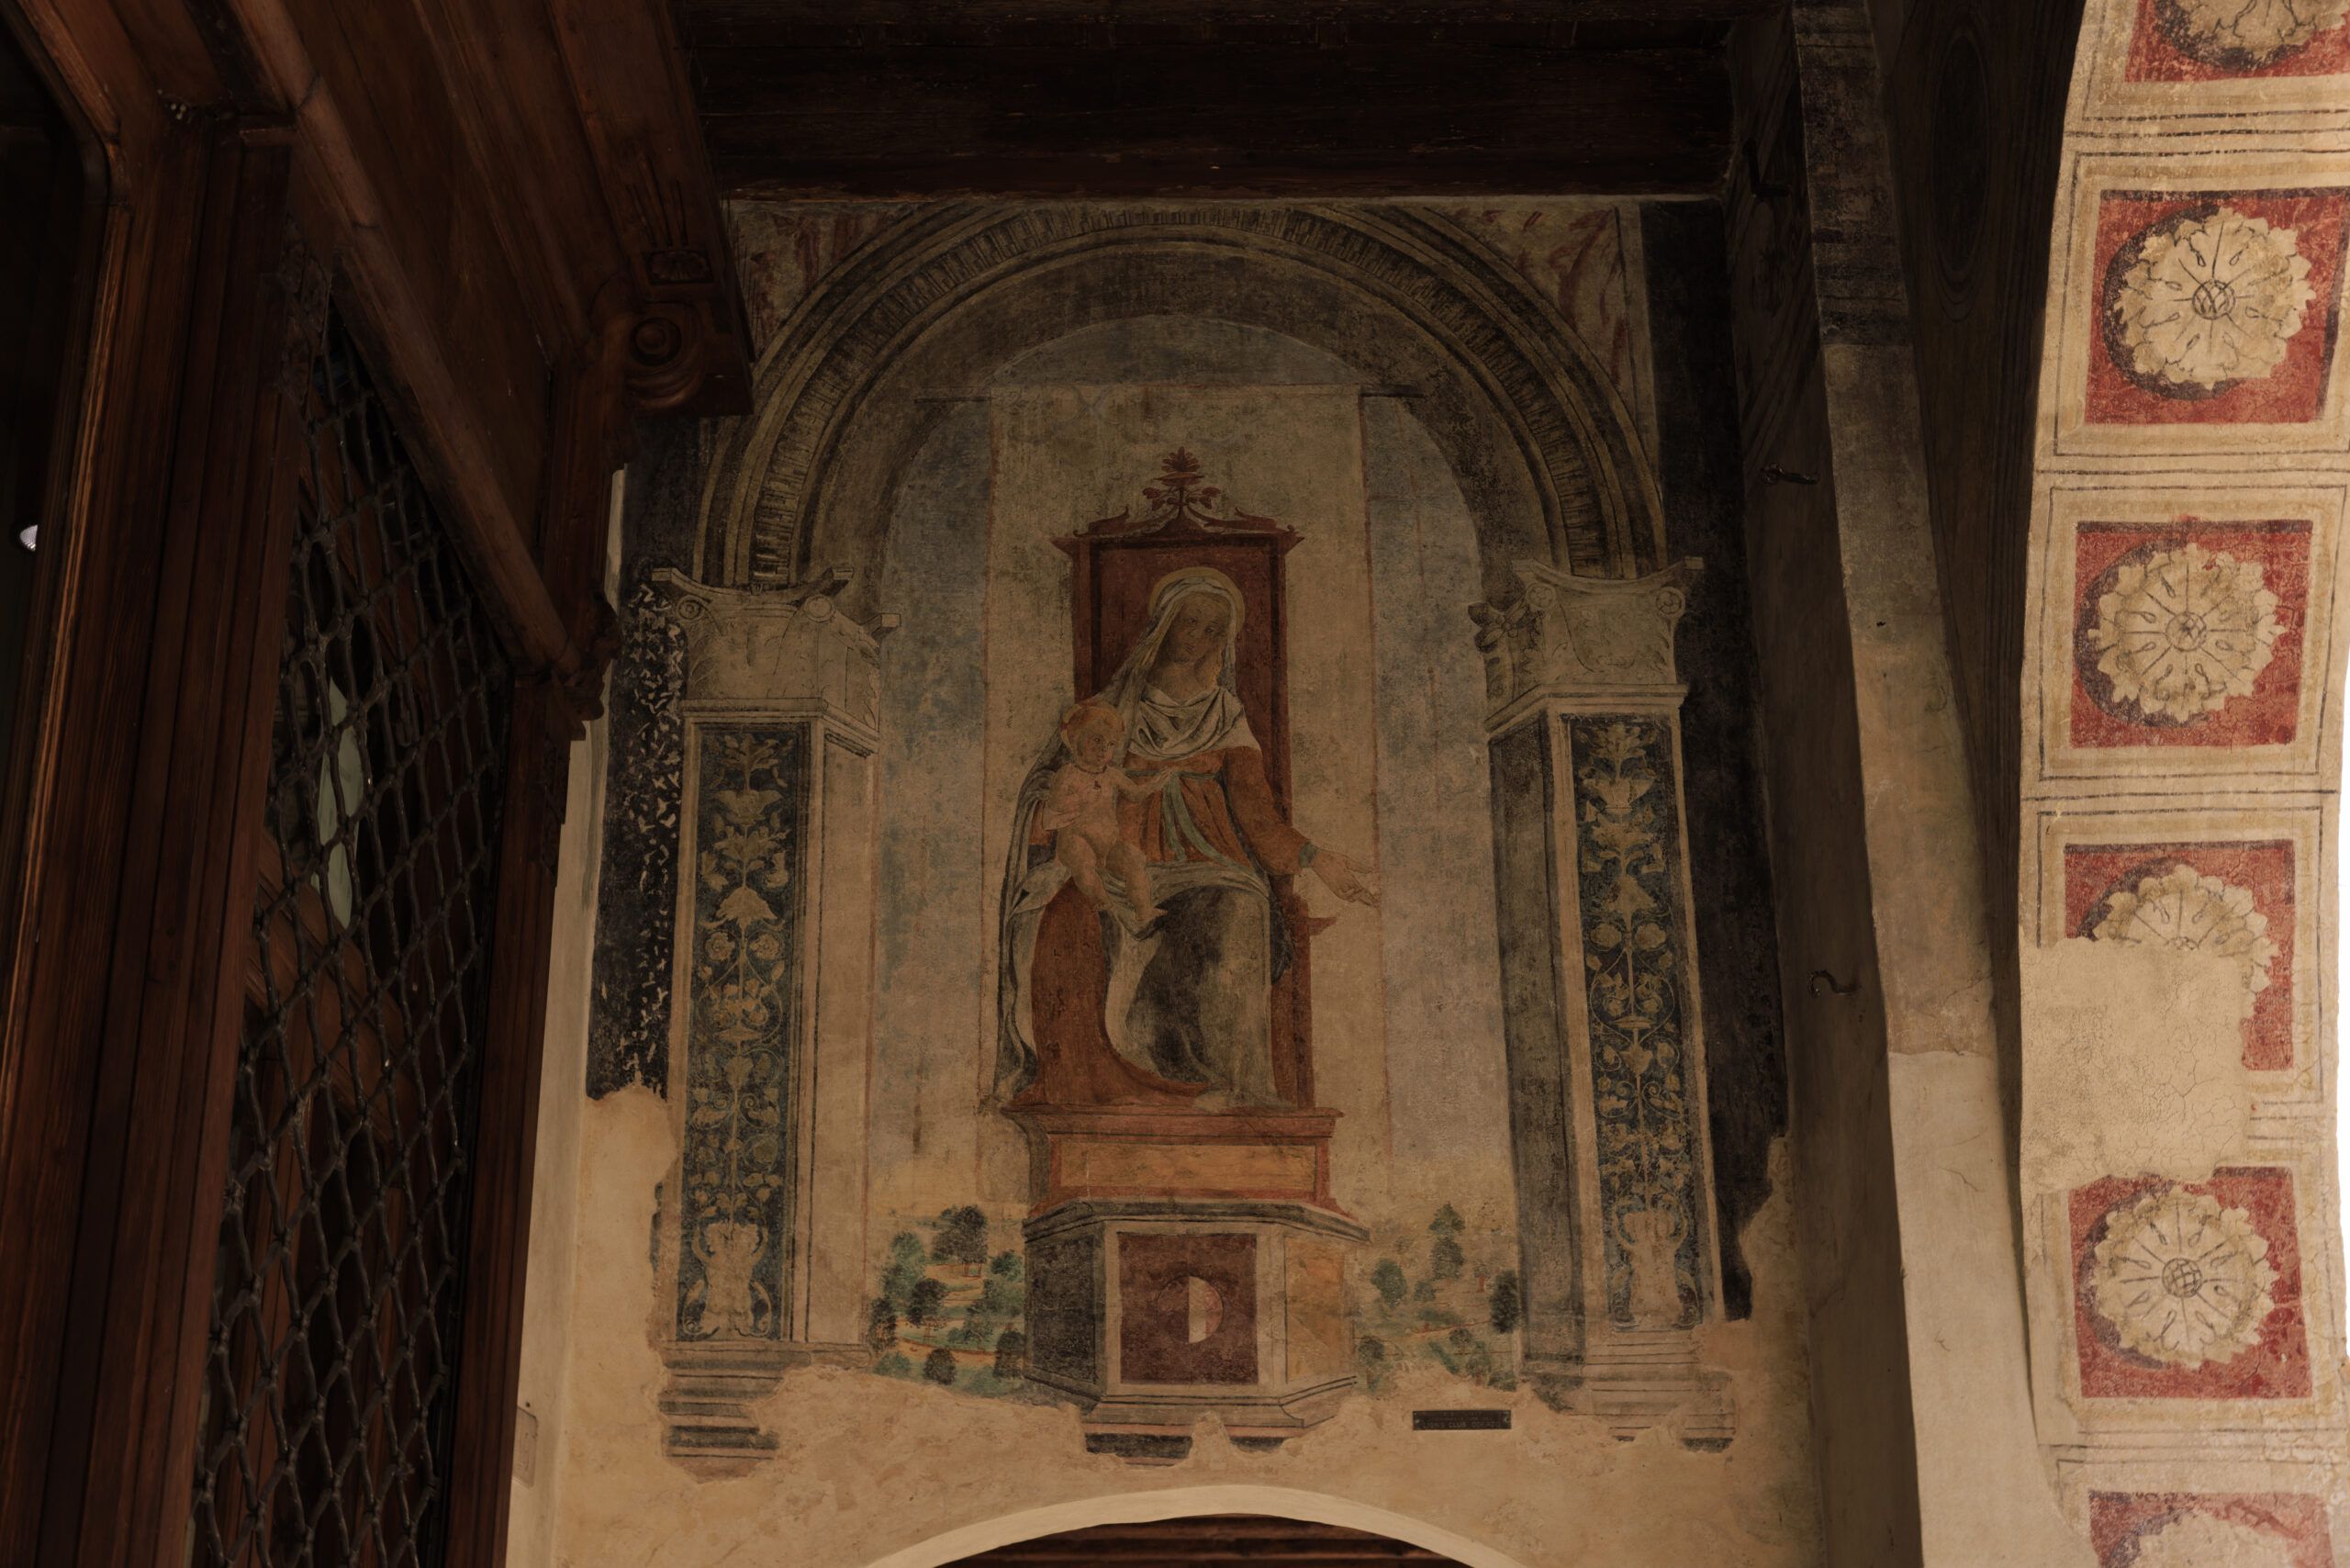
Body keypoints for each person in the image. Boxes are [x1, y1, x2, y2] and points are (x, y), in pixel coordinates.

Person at [997, 566, 1376, 1111]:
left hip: (1214, 859)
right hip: (1121, 855)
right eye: (1189, 622)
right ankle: (1129, 1074)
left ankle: (1243, 1089)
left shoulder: (1225, 714)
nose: (1198, 638)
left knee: (1242, 909)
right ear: (1164, 624)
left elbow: (1257, 815)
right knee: (1081, 910)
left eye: (1213, 630)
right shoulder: (1115, 709)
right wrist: (1063, 812)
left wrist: (1315, 857)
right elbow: (1052, 781)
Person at [1039, 700, 1165, 930]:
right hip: (1077, 839)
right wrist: (1077, 799)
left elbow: (1134, 794)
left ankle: (1144, 910)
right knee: (1083, 862)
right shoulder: (1068, 774)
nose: (1103, 750)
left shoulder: (1112, 774)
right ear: (1076, 741)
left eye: (1110, 744)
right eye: (1097, 740)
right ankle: (1103, 902)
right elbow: (1054, 805)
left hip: (1108, 843)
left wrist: (1153, 785)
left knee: (1134, 859)